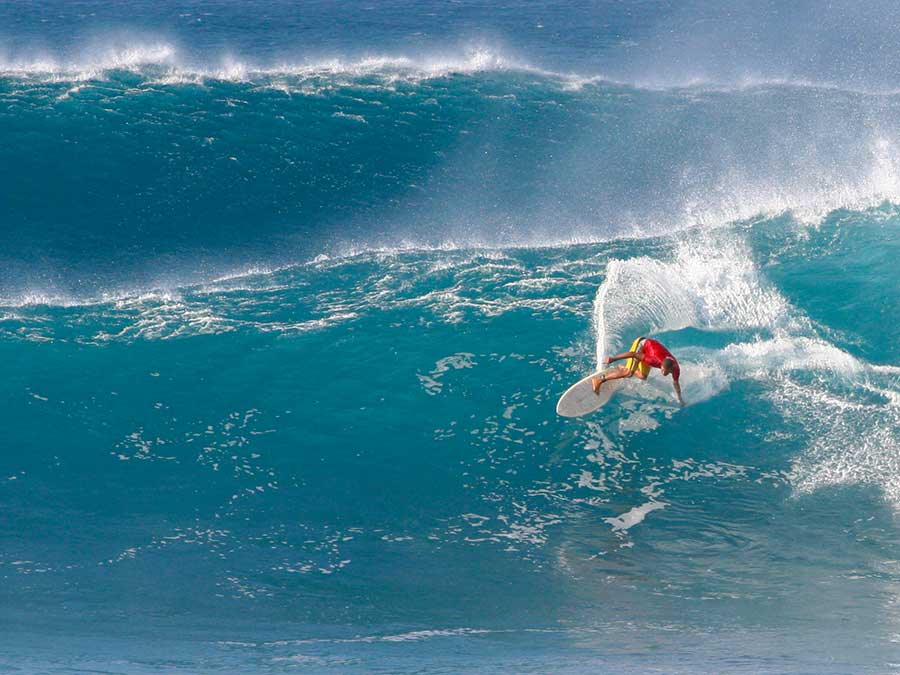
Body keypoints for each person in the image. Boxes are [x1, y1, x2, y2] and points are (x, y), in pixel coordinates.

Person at [592, 336, 684, 406]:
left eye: (665, 371)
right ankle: (599, 380)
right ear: (661, 365)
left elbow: (676, 383)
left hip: (649, 350)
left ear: (671, 369)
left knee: (643, 376)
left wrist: (680, 398)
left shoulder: (676, 369)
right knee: (629, 373)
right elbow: (634, 354)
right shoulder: (654, 360)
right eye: (662, 370)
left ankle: (623, 367)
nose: (663, 373)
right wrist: (613, 359)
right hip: (641, 345)